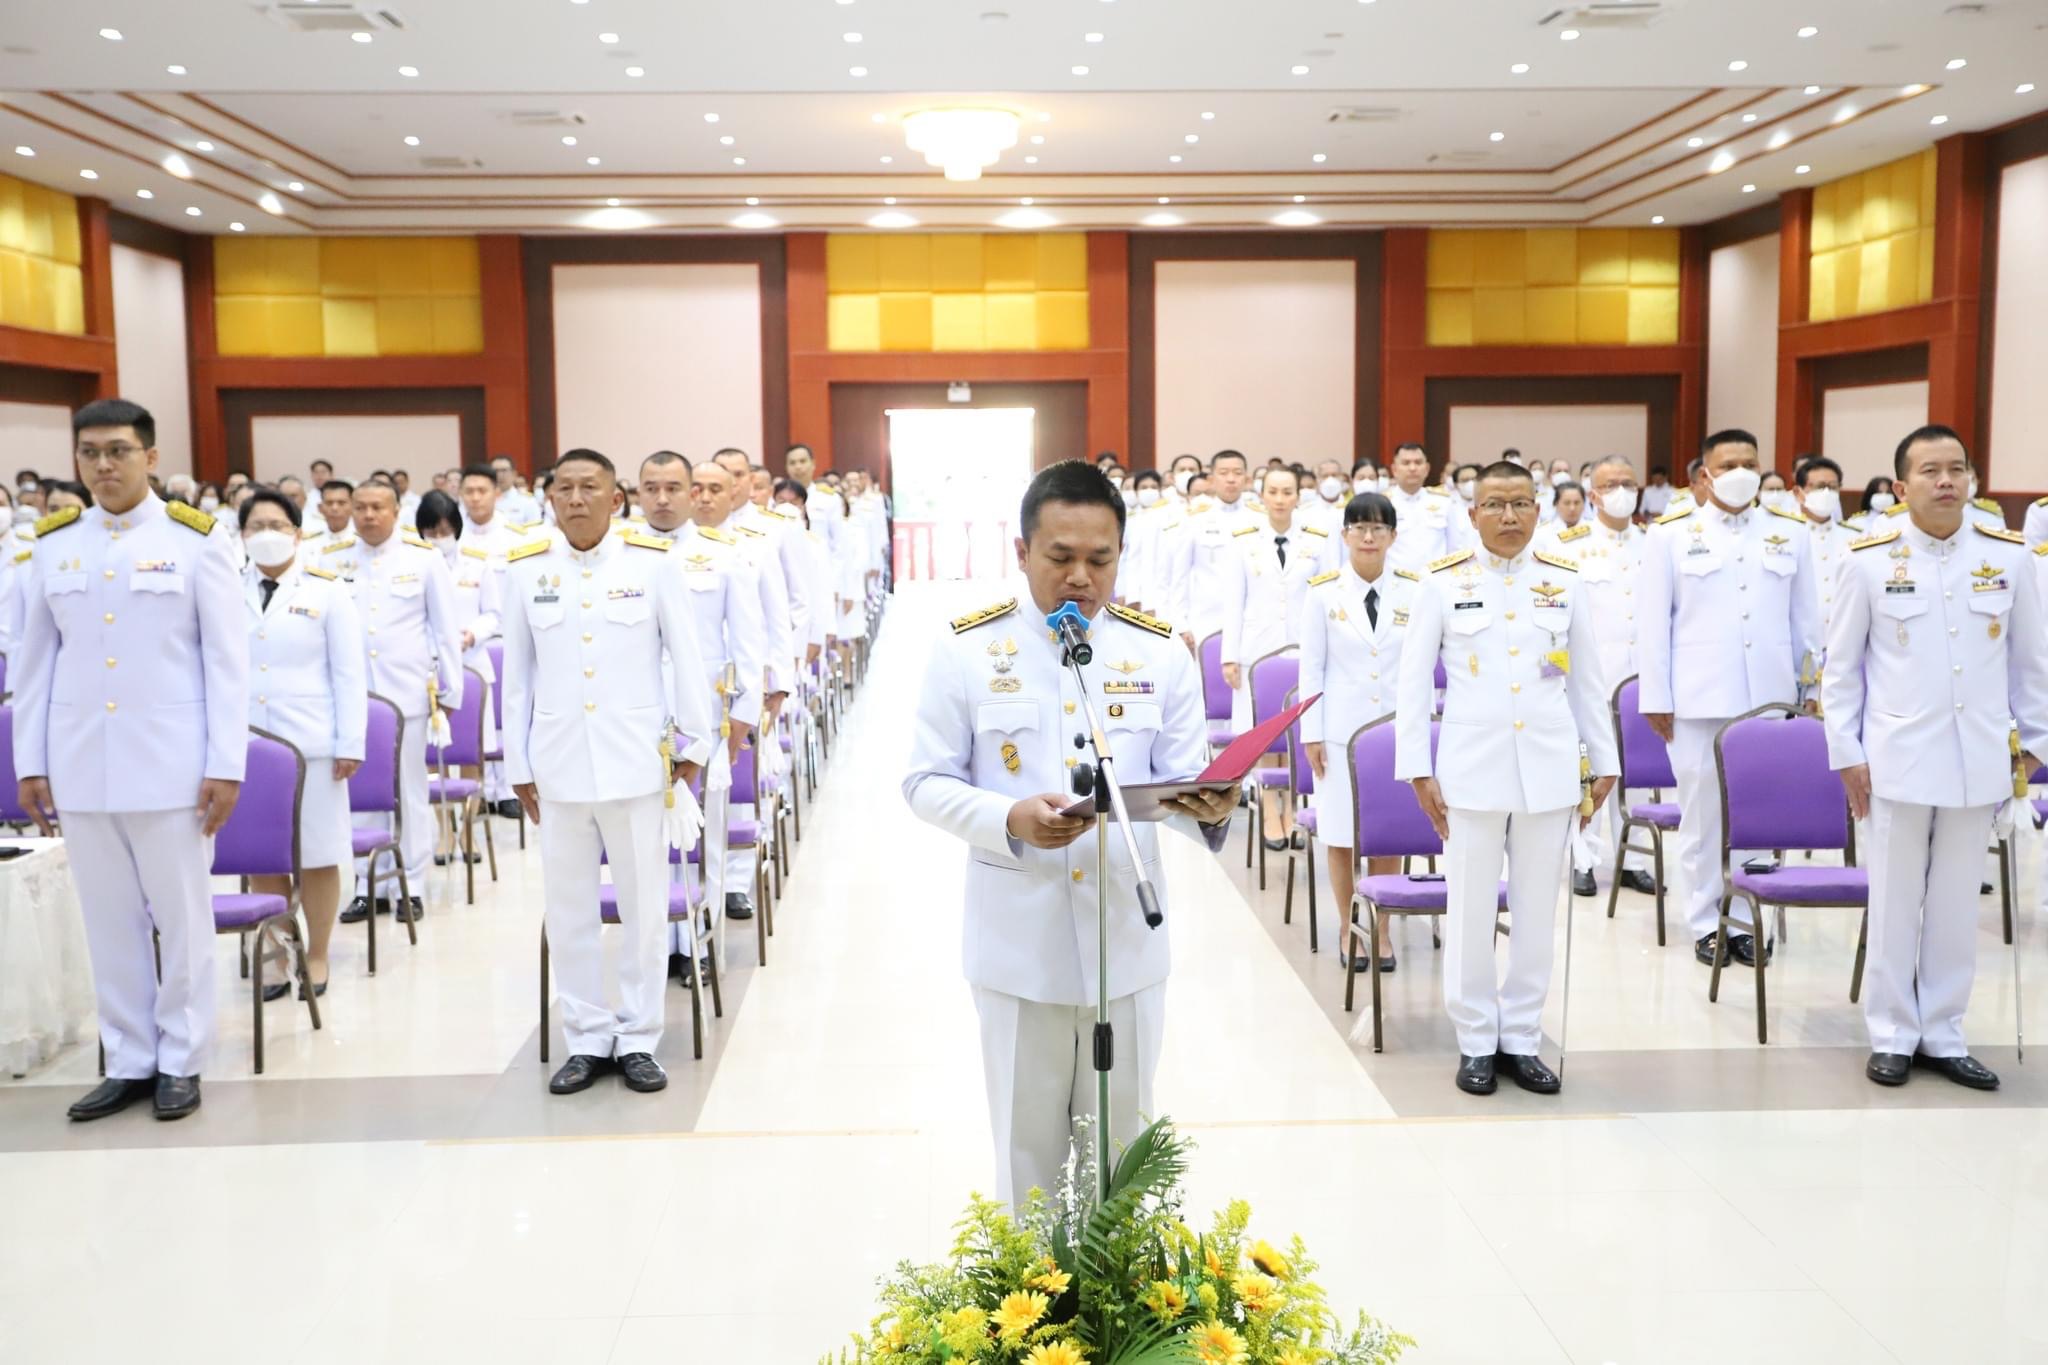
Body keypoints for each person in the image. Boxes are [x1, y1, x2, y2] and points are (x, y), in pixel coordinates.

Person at [904, 460, 1236, 1207]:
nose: (1080, 577)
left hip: (1127, 943)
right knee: (1027, 1164)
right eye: (1060, 557)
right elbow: (925, 781)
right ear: (1022, 552)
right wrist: (1008, 818)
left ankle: (1117, 1286)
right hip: (1019, 948)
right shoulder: (967, 650)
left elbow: (1183, 782)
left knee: (1122, 1168)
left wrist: (1211, 807)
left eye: (1100, 559)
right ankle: (1030, 1288)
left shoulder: (1160, 653)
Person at [19, 399, 247, 1122]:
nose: (102, 465)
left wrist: (227, 763)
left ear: (150, 456)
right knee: (108, 921)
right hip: (82, 764)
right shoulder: (53, 545)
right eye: (89, 452)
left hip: (174, 766)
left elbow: (228, 661)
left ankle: (181, 1058)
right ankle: (128, 1059)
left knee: (182, 920)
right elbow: (34, 663)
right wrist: (30, 762)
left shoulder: (196, 540)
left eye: (117, 450)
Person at [1825, 425, 2048, 1091]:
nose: (1946, 481)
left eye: (1957, 469)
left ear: (1972, 479)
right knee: (1895, 901)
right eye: (1930, 470)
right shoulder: (1868, 559)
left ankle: (1944, 1032)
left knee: (1955, 904)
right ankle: (1893, 1033)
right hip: (1894, 759)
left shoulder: (2011, 557)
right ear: (1902, 486)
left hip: (1981, 757)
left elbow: (2031, 664)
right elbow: (1841, 670)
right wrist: (1846, 752)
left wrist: (2035, 745)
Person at [1396, 460, 1618, 1095]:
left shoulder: (1564, 582)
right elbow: (1412, 684)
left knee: (1536, 911)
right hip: (1470, 772)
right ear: (1472, 515)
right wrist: (1417, 769)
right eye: (1494, 504)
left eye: (1520, 503)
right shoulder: (1442, 582)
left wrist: (1605, 761)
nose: (1509, 516)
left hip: (1549, 769)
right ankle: (1475, 1041)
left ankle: (1521, 1037)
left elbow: (1587, 679)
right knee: (1469, 910)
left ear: (1538, 511)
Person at [501, 448, 715, 1095]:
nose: (575, 499)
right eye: (563, 488)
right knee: (569, 910)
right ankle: (588, 1037)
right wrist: (517, 762)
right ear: (550, 498)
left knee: (644, 909)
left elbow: (687, 654)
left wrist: (694, 744)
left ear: (616, 498)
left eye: (588, 488)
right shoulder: (526, 569)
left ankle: (640, 1035)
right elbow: (518, 677)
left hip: (637, 764)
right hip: (558, 766)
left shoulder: (652, 564)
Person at [1638, 430, 1821, 968]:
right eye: (1728, 464)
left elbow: (1805, 621)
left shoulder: (1790, 533)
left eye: (1750, 463)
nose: (1741, 472)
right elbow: (1654, 623)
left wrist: (1809, 690)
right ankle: (1705, 922)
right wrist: (1656, 696)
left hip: (1770, 698)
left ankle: (1747, 921)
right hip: (1697, 700)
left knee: (1760, 814)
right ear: (1706, 475)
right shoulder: (1671, 535)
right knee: (1702, 815)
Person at [240, 487, 366, 1000]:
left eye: (276, 525)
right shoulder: (226, 589)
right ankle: (276, 953)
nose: (266, 535)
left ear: (296, 532)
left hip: (313, 745)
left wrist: (350, 741)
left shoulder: (326, 590)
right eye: (256, 527)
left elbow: (349, 672)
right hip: (247, 744)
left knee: (318, 852)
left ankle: (317, 952)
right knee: (261, 854)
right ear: (241, 535)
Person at [641, 450, 765, 963]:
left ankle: (701, 941)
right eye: (652, 489)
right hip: (642, 717)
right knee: (649, 836)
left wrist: (743, 715)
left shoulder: (723, 553)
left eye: (674, 488)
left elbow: (748, 642)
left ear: (692, 493)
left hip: (706, 718)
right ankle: (660, 941)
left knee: (705, 834)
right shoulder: (627, 555)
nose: (663, 499)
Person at [1300, 492, 1418, 970]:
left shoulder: (1415, 590)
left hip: (1396, 731)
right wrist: (1311, 733)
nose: (1369, 537)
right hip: (1338, 733)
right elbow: (1311, 668)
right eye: (1359, 528)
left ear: (1392, 535)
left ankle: (1382, 930)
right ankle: (1350, 929)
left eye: (1378, 528)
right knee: (1340, 833)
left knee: (1388, 833)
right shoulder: (1322, 593)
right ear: (1345, 534)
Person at [336, 480, 462, 926]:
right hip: (351, 697)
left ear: (395, 511)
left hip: (405, 695)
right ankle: (366, 885)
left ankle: (410, 884)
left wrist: (450, 691)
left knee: (408, 791)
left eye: (378, 507)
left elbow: (446, 629)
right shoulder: (332, 560)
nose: (369, 515)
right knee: (358, 794)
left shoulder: (423, 559)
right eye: (361, 507)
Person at [1218, 466, 1332, 847]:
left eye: (1287, 492)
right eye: (1273, 492)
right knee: (1264, 730)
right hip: (1257, 650)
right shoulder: (1243, 540)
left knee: (1298, 729)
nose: (1280, 499)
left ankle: (1292, 810)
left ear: (1299, 496)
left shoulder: (1317, 540)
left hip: (1305, 648)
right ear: (1261, 495)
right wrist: (1229, 655)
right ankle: (1270, 808)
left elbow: (1329, 597)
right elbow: (1233, 601)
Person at [1563, 456, 1657, 898]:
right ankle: (1582, 858)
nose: (1622, 491)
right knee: (1588, 772)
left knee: (1636, 776)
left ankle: (1631, 859)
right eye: (1611, 484)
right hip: (1591, 680)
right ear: (1593, 495)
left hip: (1642, 680)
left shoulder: (1654, 543)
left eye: (1628, 483)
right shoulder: (1571, 547)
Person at [414, 490, 503, 864]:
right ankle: (444, 831)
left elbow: (494, 614)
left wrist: (471, 634)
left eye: (445, 530)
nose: (439, 538)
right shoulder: (413, 566)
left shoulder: (478, 566)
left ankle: (468, 830)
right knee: (432, 755)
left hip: (471, 668)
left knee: (471, 754)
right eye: (431, 531)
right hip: (428, 671)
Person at [1793, 455, 1853, 647]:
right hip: (1800, 643)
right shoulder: (1789, 537)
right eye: (1819, 487)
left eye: (1833, 487)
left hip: (1843, 642)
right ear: (1799, 493)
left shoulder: (1855, 538)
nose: (1827, 492)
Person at [1382, 443, 1469, 577]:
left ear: (1427, 468)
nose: (1412, 468)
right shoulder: (1383, 503)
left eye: (1418, 462)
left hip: (1437, 580)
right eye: (1406, 463)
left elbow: (1455, 547)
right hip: (1394, 580)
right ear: (1394, 469)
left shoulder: (1444, 502)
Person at [305, 479, 356, 554]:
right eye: (329, 503)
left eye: (341, 503)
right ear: (320, 508)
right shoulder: (308, 543)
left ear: (353, 506)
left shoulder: (363, 540)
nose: (334, 508)